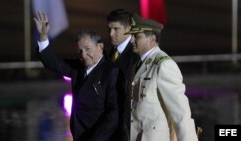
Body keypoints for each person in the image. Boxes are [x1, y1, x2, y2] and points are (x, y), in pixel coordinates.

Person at [34, 12, 121, 141]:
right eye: (80, 51)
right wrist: (43, 36)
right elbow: (53, 63)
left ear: (100, 47)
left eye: (87, 49)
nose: (84, 55)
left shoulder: (111, 71)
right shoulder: (78, 67)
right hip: (79, 134)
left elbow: (113, 114)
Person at [126, 13, 199, 141]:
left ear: (152, 39)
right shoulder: (138, 64)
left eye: (136, 36)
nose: (131, 40)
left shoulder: (164, 65)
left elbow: (180, 114)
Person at [107, 9, 140, 141]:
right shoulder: (111, 53)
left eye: (116, 29)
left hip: (127, 123)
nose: (111, 34)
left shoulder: (135, 55)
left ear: (129, 28)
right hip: (112, 123)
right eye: (109, 29)